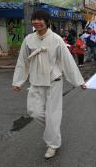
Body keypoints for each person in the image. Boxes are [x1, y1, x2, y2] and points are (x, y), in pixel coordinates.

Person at [12, 9, 86, 160]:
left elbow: (68, 62)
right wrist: (18, 81)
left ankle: (53, 145)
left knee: (53, 116)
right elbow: (22, 62)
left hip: (54, 82)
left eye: (40, 19)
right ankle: (53, 131)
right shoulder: (28, 40)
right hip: (36, 82)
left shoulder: (56, 39)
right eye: (34, 19)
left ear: (47, 21)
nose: (36, 22)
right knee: (34, 112)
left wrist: (79, 81)